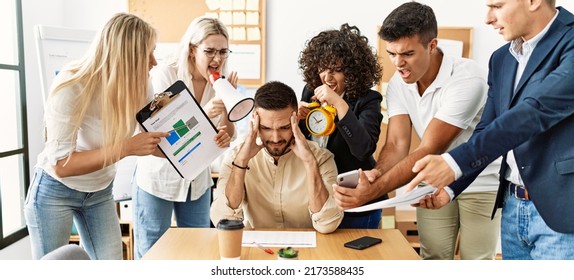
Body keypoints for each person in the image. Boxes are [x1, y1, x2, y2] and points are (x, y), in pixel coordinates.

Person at [333, 2, 502, 260]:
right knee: (432, 258)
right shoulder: (399, 85)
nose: (398, 63)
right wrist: (376, 174)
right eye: (391, 53)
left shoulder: (467, 78)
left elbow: (430, 147)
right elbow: (398, 145)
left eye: (407, 54)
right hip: (432, 180)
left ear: (431, 45)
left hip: (479, 181)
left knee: (476, 262)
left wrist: (371, 192)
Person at [406, 0, 574, 260]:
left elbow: (535, 110)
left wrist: (453, 162)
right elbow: (485, 129)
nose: (488, 18)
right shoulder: (501, 59)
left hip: (561, 214)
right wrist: (451, 188)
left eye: (496, 6)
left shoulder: (571, 41)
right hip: (512, 208)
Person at [24, 13, 167, 260]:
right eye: (148, 54)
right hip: (55, 191)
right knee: (54, 270)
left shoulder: (141, 85)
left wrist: (192, 143)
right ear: (126, 56)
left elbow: (148, 142)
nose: (154, 62)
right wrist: (126, 147)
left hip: (99, 191)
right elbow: (61, 166)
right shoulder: (71, 86)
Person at [133, 16, 235, 259]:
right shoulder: (165, 75)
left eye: (223, 51)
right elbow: (163, 134)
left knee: (199, 252)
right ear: (192, 50)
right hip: (158, 179)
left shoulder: (220, 80)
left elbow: (228, 135)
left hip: (197, 181)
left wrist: (226, 123)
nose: (217, 59)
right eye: (209, 51)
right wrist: (204, 115)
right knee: (151, 254)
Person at [210, 81, 344, 233]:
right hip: (259, 249)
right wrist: (241, 163)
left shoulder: (321, 158)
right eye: (266, 128)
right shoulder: (238, 156)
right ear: (255, 122)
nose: (275, 138)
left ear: (296, 120)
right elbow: (222, 220)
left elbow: (327, 224)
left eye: (284, 128)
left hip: (307, 251)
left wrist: (310, 163)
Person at [297, 23, 384, 229]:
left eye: (336, 70)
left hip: (356, 203)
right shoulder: (310, 91)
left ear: (352, 71)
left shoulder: (369, 100)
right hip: (319, 199)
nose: (327, 78)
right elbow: (304, 144)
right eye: (323, 68)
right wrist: (296, 120)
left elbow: (363, 149)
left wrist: (338, 102)